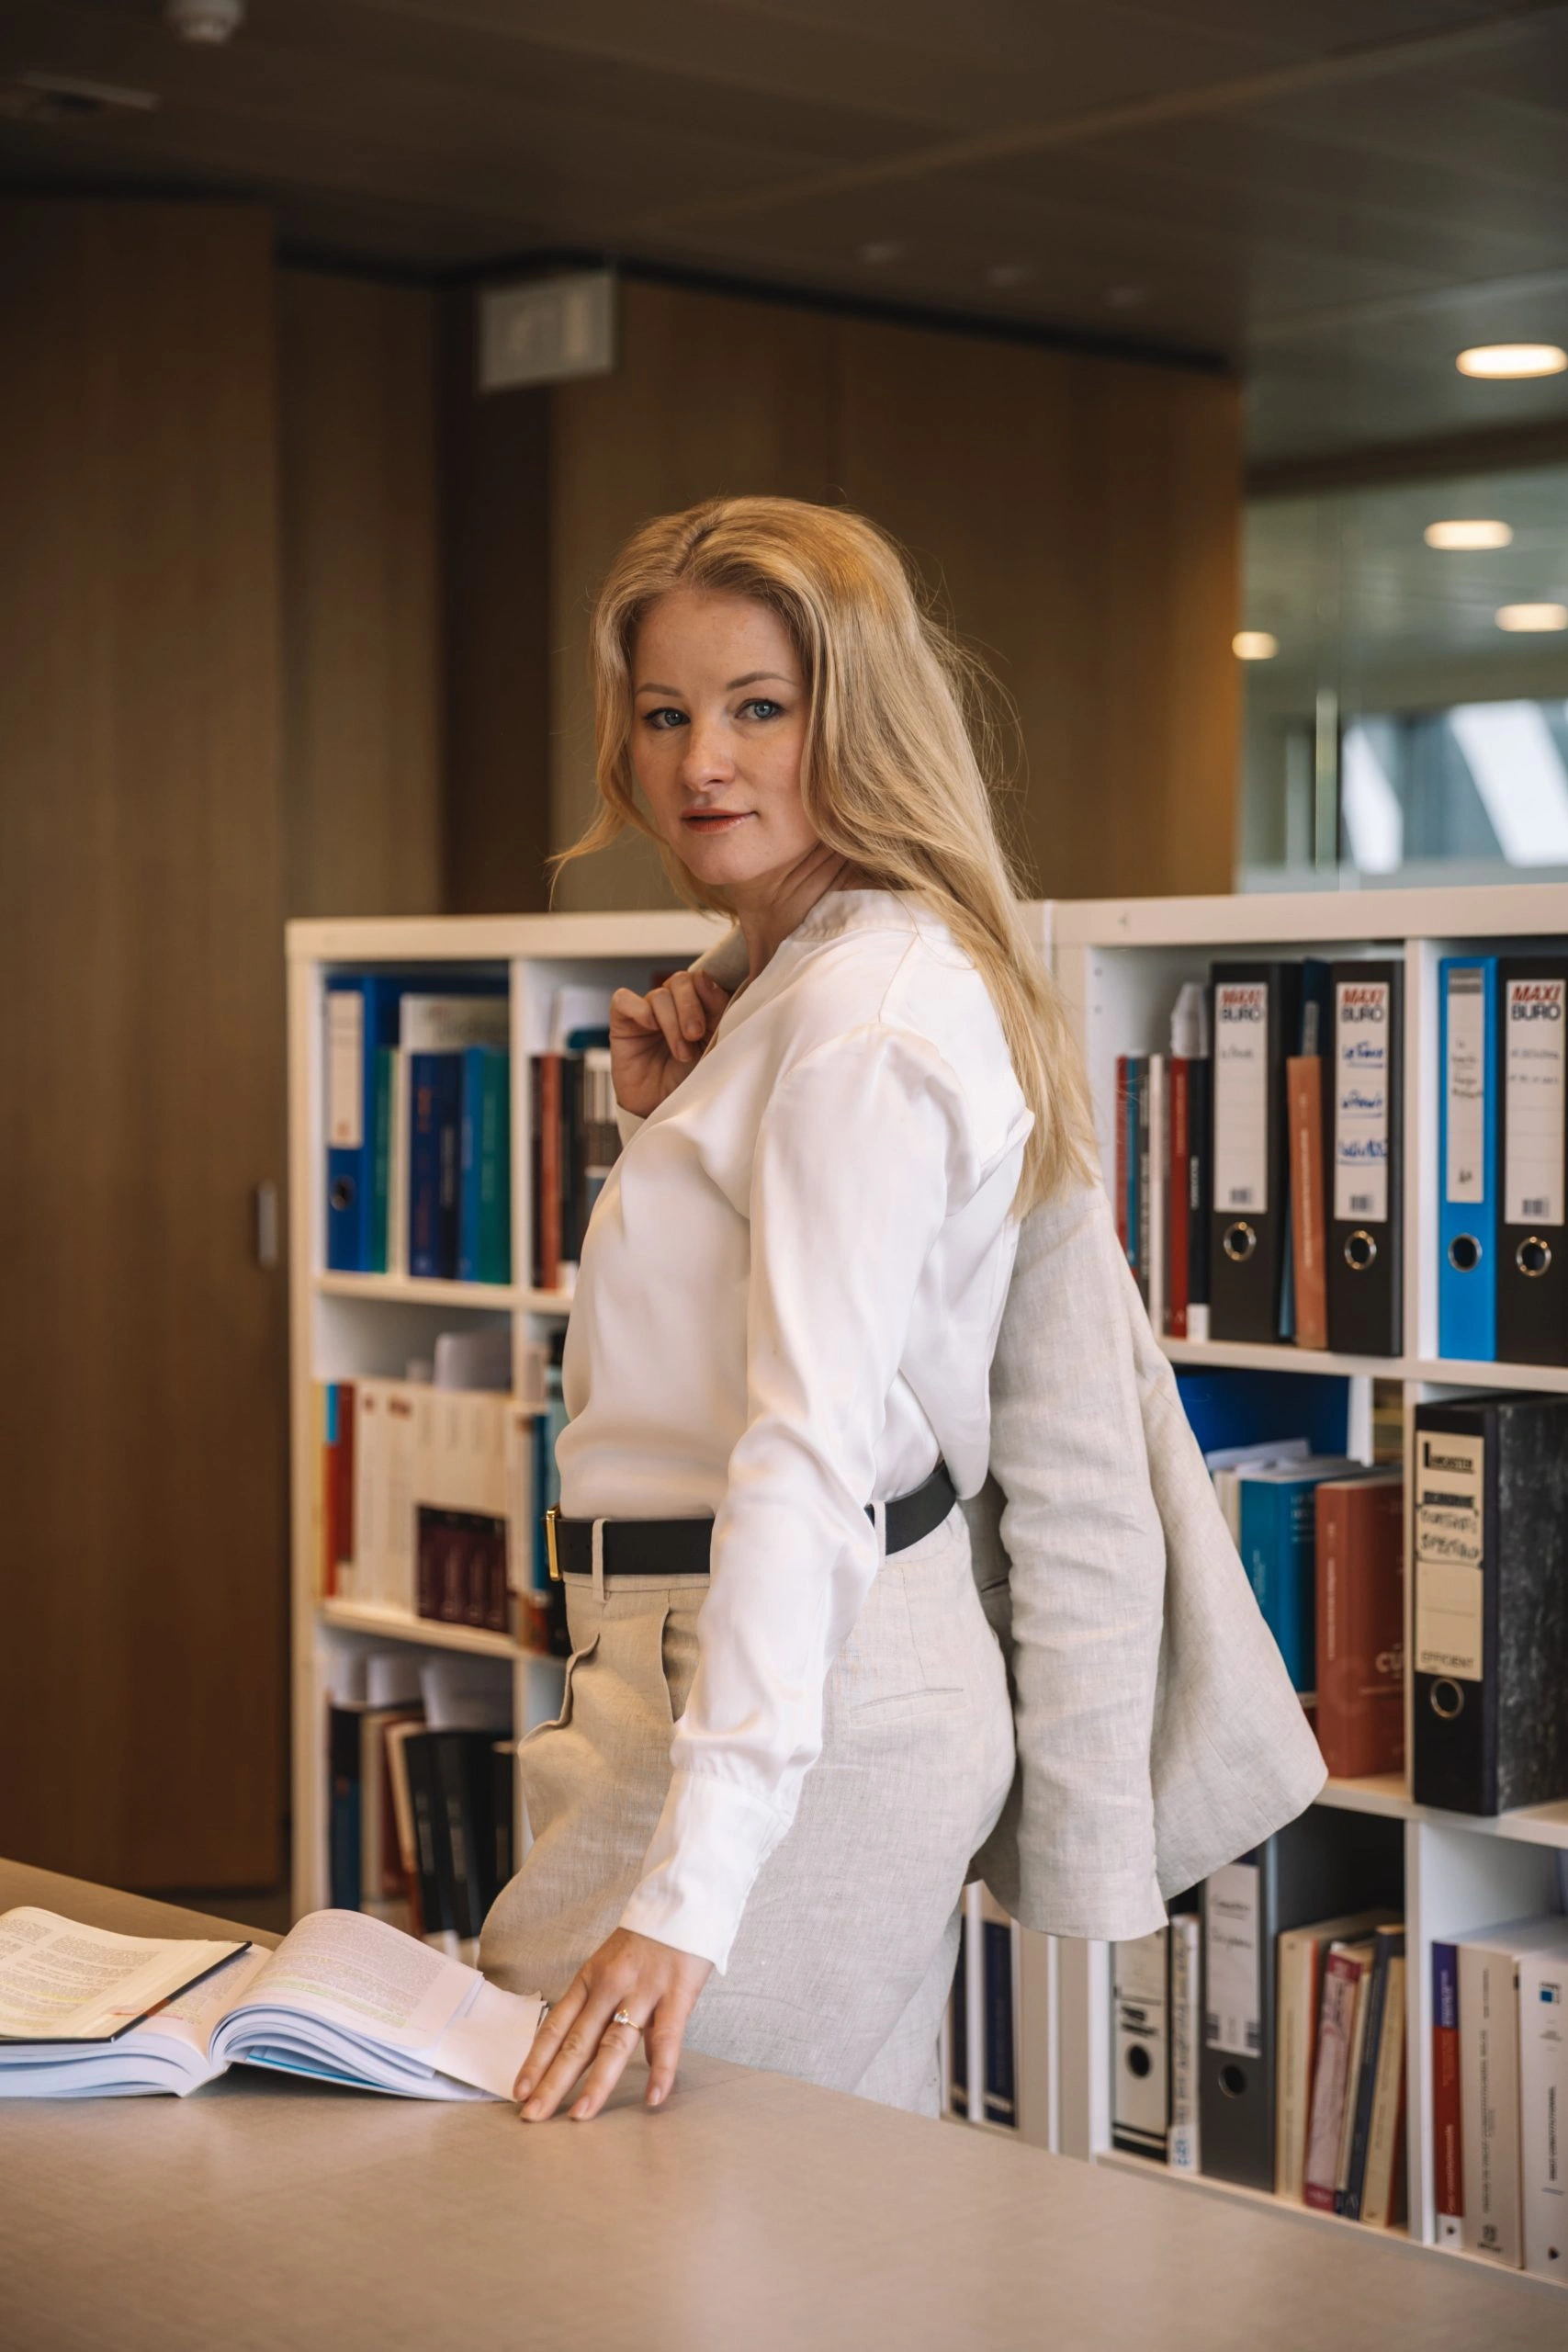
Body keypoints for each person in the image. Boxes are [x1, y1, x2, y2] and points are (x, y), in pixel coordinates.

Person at [479, 492, 1100, 2123]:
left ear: (859, 719)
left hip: (779, 1698)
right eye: (668, 713)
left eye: (761, 709)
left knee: (584, 2210)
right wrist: (673, 1129)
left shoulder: (860, 1016)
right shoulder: (800, 992)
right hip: (721, 1669)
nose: (703, 764)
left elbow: (811, 1453)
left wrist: (686, 1896)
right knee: (794, 2251)